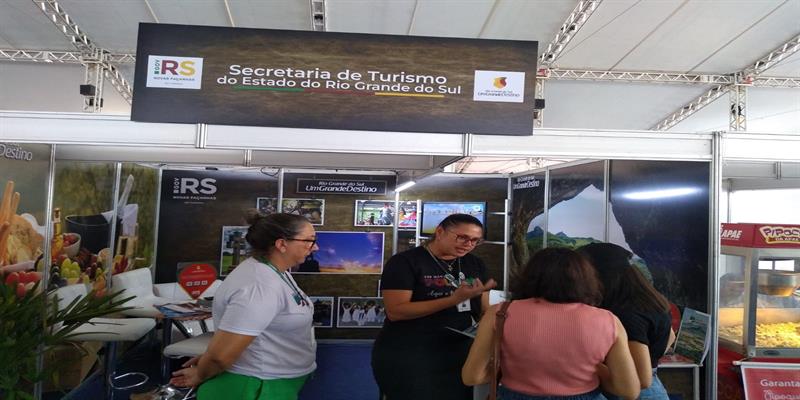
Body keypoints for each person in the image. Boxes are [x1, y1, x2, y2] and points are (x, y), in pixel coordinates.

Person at [170, 212, 319, 400]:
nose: (315, 247)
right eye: (309, 240)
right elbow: (220, 356)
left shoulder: (275, 271)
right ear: (282, 244)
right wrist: (201, 373)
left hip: (270, 380)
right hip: (255, 386)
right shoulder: (259, 286)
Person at [462, 247, 640, 400]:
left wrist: (508, 370)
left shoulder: (499, 313)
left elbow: (472, 376)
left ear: (529, 276)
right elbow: (628, 390)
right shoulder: (608, 320)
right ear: (586, 279)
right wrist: (591, 370)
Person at [373, 213, 497, 400]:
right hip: (410, 351)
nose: (468, 244)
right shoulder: (405, 262)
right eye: (462, 237)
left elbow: (485, 306)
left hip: (459, 351)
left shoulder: (474, 263)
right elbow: (396, 311)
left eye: (475, 240)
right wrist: (453, 300)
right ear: (440, 231)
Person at [579, 243, 674, 400]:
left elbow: (641, 379)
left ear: (600, 273)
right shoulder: (651, 300)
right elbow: (670, 336)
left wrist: (587, 363)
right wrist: (651, 358)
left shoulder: (625, 313)